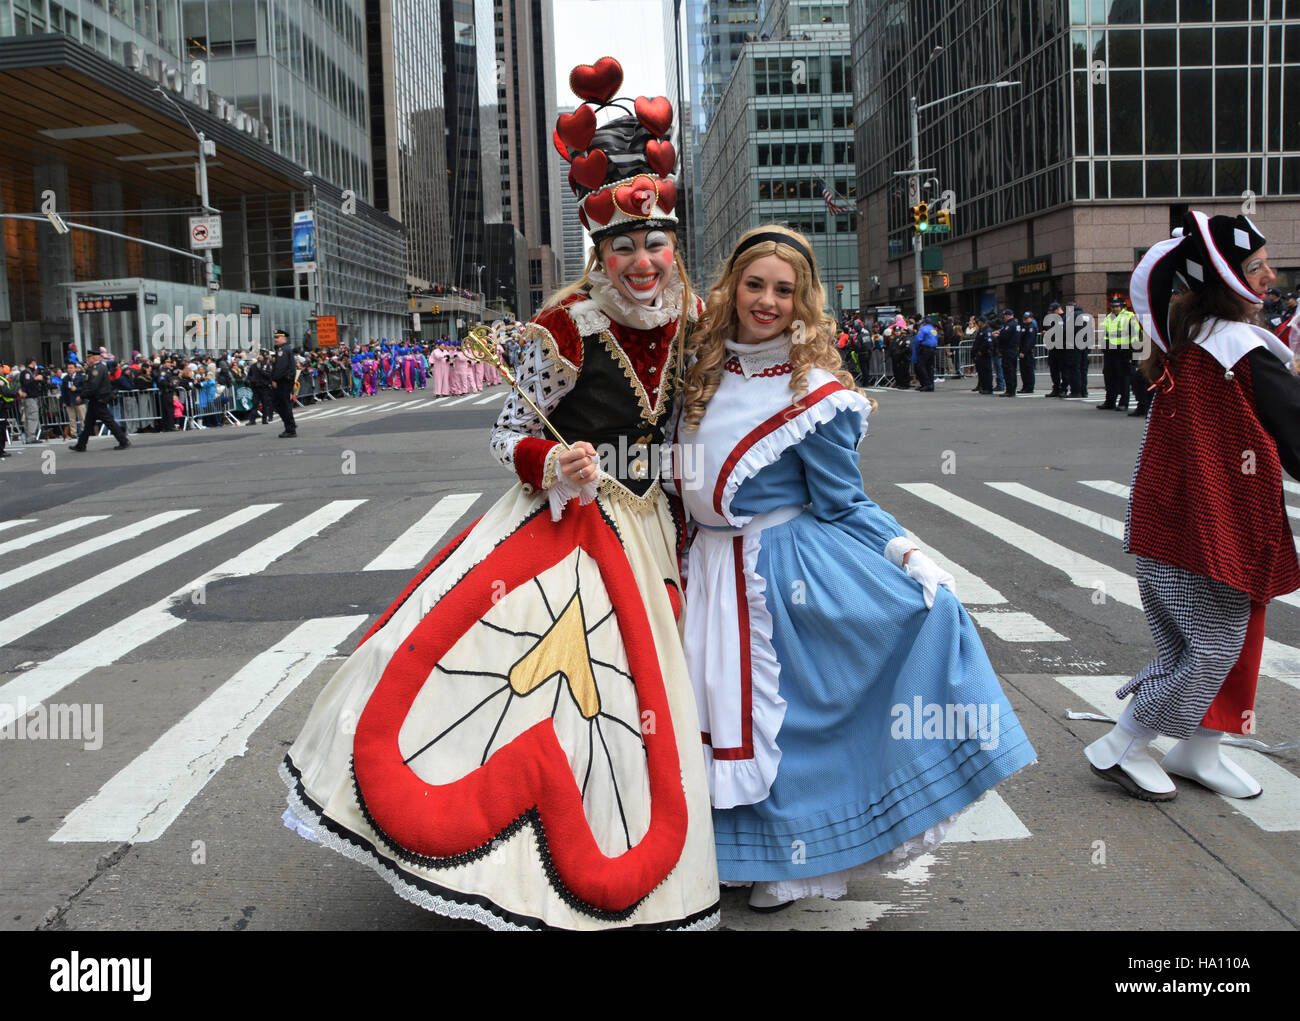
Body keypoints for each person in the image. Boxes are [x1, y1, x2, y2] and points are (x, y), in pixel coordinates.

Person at [280, 58, 720, 930]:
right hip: (570, 525)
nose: (641, 260)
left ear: (675, 245)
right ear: (600, 253)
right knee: (549, 686)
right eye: (623, 246)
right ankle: (515, 868)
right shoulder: (561, 324)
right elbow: (504, 432)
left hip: (657, 525)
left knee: (651, 693)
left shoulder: (696, 314)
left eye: (654, 241)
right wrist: (551, 465)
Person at [673, 225, 1036, 912]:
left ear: (804, 298)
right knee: (711, 714)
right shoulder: (701, 364)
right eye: (756, 284)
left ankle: (802, 860)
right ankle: (728, 852)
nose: (768, 300)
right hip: (705, 565)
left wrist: (908, 553)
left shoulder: (816, 392)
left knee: (793, 723)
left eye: (785, 290)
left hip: (777, 572)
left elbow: (844, 502)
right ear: (733, 286)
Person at [1085, 211, 1300, 802]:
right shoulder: (1237, 349)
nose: (1271, 276)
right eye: (1257, 267)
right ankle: (1125, 741)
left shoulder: (1191, 342)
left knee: (1196, 645)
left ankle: (1198, 748)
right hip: (1209, 531)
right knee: (1214, 647)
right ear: (1230, 281)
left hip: (1173, 523)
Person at [69, 350, 129, 451]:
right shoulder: (98, 368)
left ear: (95, 358)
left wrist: (82, 396)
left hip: (98, 399)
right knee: (88, 423)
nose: (89, 359)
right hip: (96, 400)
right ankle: (81, 444)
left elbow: (93, 386)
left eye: (90, 357)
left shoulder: (97, 369)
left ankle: (123, 440)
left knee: (109, 422)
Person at [1097, 297, 1135, 410]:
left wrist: (1131, 351)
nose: (1114, 309)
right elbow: (1105, 333)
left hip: (1124, 351)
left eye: (1117, 306)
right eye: (1113, 307)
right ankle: (1110, 401)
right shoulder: (1109, 317)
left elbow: (1135, 335)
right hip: (1110, 352)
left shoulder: (1129, 317)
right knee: (1109, 378)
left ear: (1122, 307)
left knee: (1124, 378)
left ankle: (1123, 403)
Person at [269, 330, 297, 437]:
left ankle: (290, 429)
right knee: (282, 405)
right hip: (284, 381)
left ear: (284, 338)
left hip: (283, 382)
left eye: (278, 337)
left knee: (282, 405)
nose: (275, 339)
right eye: (275, 337)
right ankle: (291, 425)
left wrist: (275, 379)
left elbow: (281, 368)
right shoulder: (283, 349)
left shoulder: (283, 350)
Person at [995, 308, 1020, 396]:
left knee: (1009, 370)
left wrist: (998, 336)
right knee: (1012, 370)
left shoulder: (1010, 325)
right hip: (1012, 350)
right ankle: (1011, 389)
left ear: (1008, 315)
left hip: (1008, 350)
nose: (1004, 318)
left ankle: (1010, 390)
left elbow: (1005, 337)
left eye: (1004, 316)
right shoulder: (1015, 324)